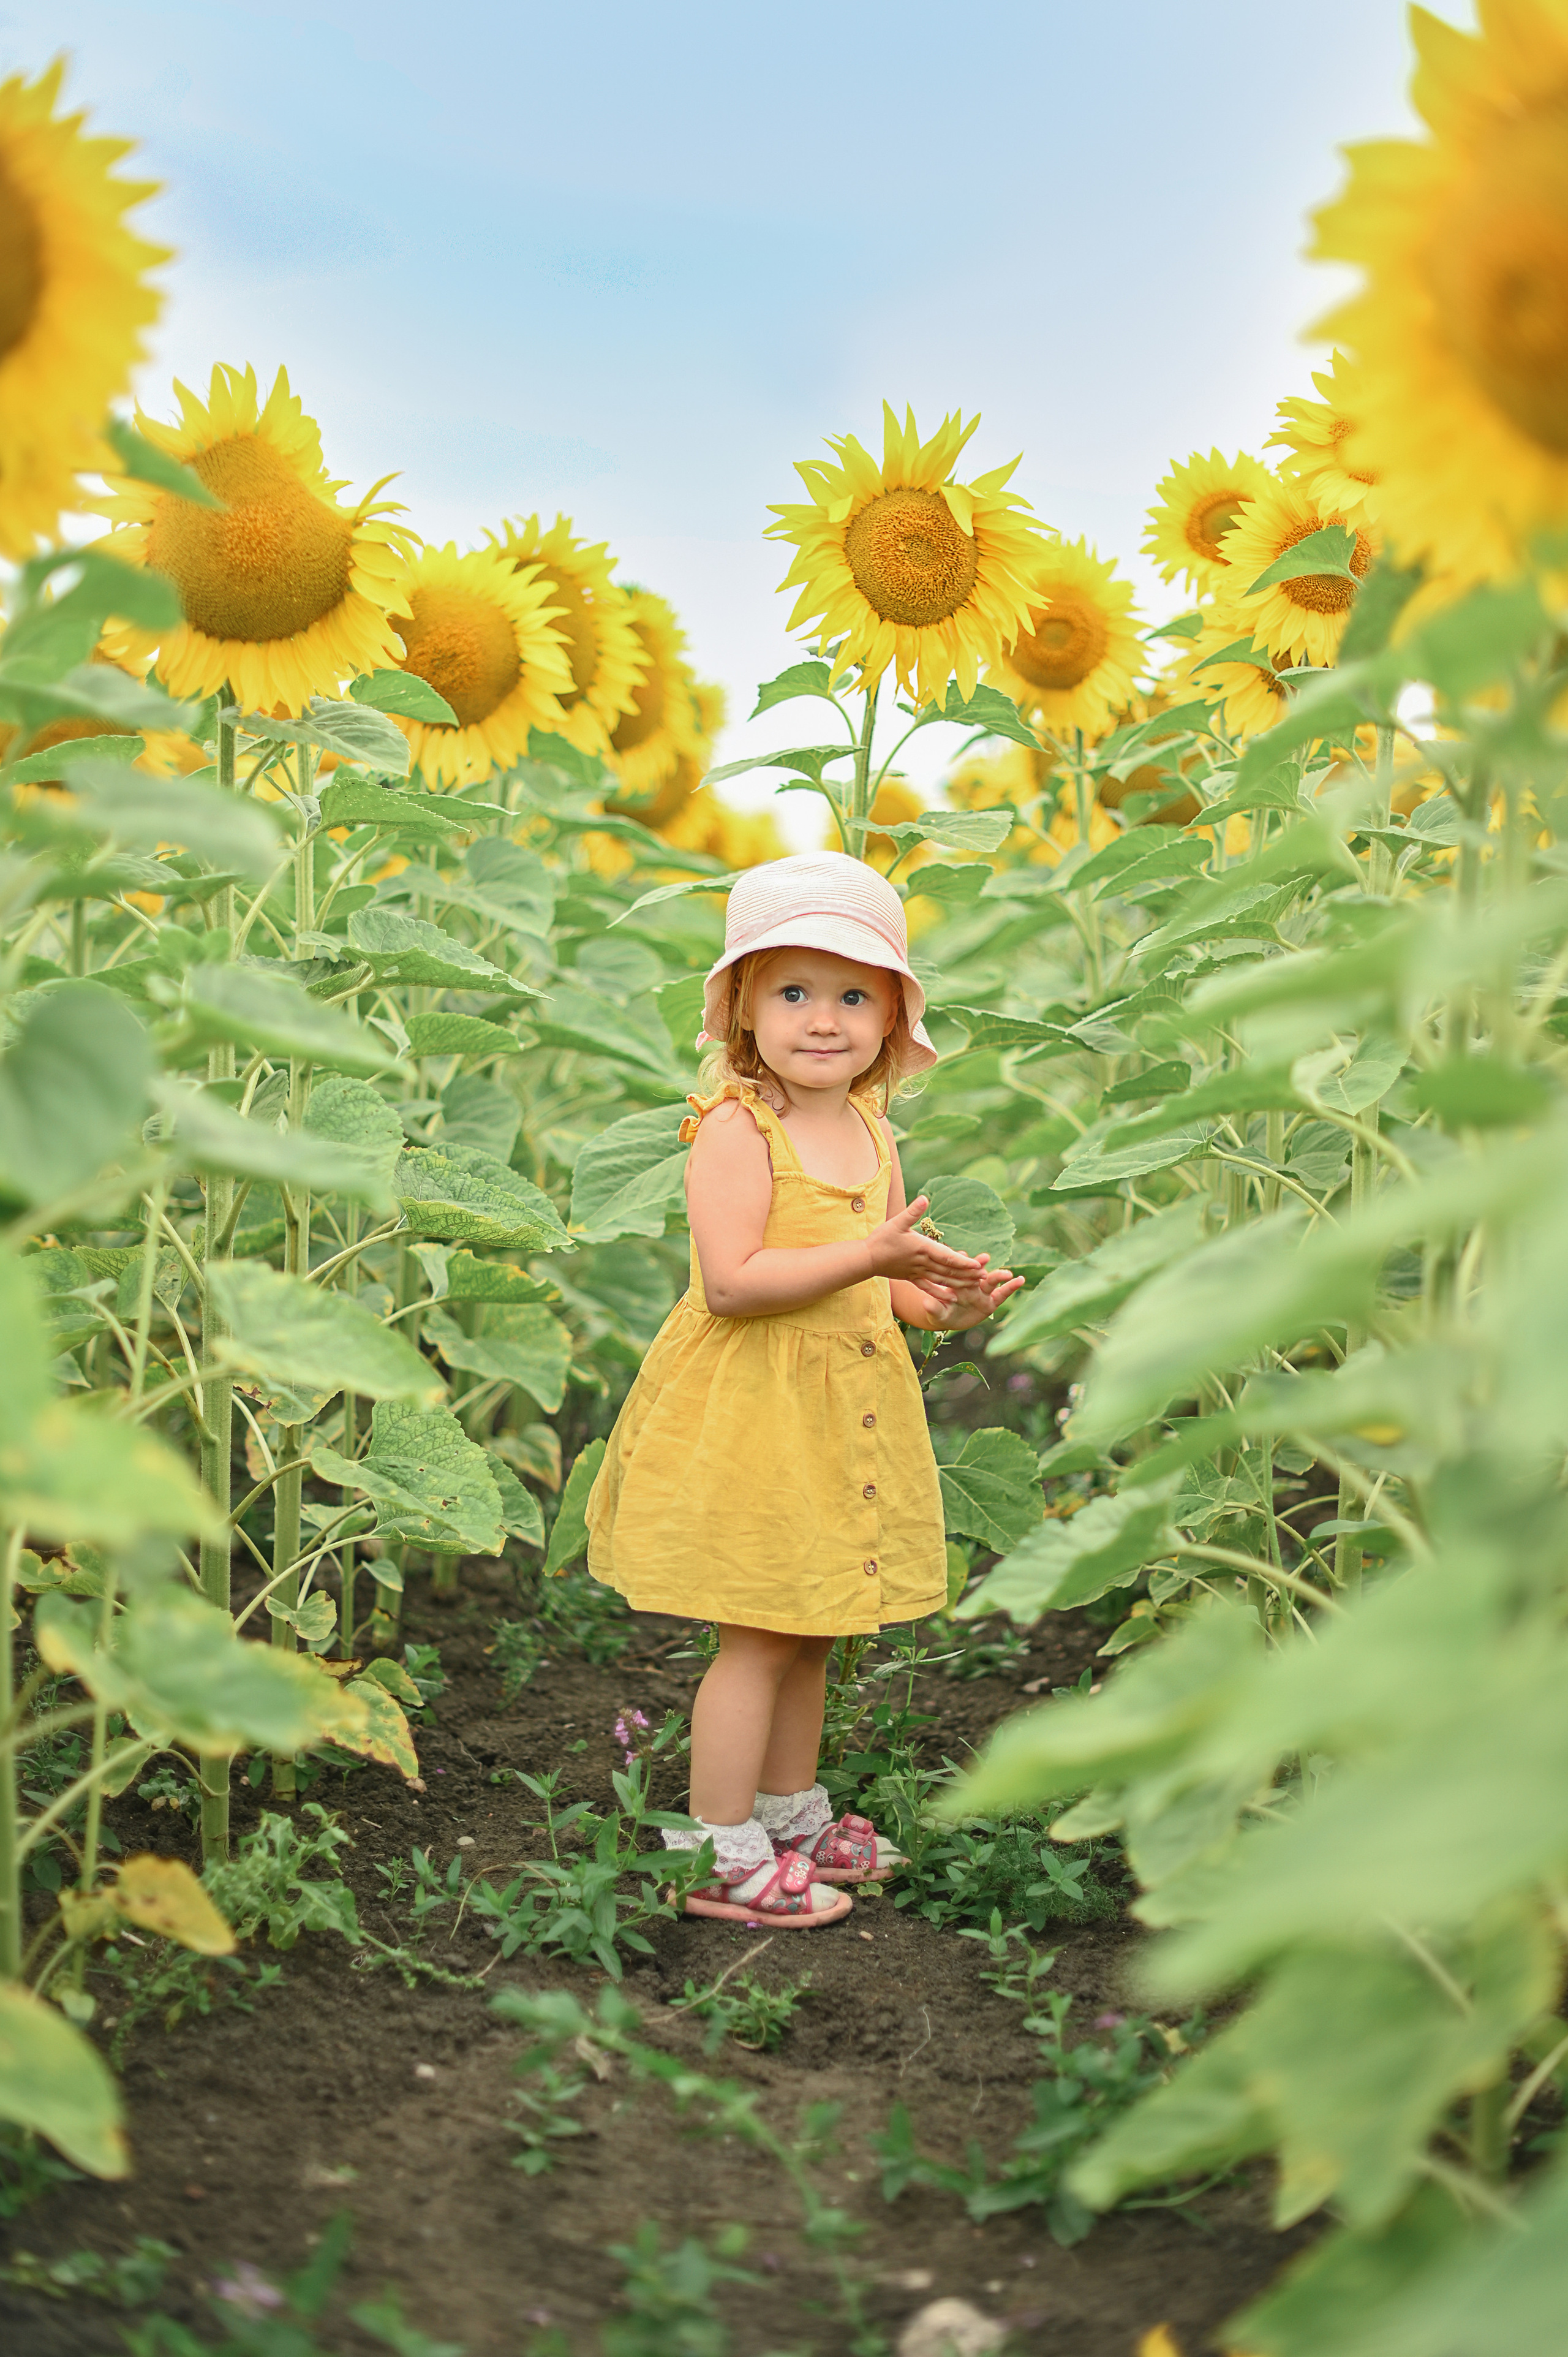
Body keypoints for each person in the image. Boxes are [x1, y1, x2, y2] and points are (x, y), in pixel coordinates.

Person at [585, 851, 1024, 1924]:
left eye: (854, 995)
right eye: (793, 991)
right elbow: (736, 1285)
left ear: (892, 1018)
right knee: (758, 1633)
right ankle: (716, 1846)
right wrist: (874, 1261)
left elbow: (886, 1282)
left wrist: (946, 1300)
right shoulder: (739, 1130)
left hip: (841, 1409)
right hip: (754, 1413)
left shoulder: (871, 1128)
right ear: (741, 1005)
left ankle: (789, 1813)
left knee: (815, 1622)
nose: (823, 1020)